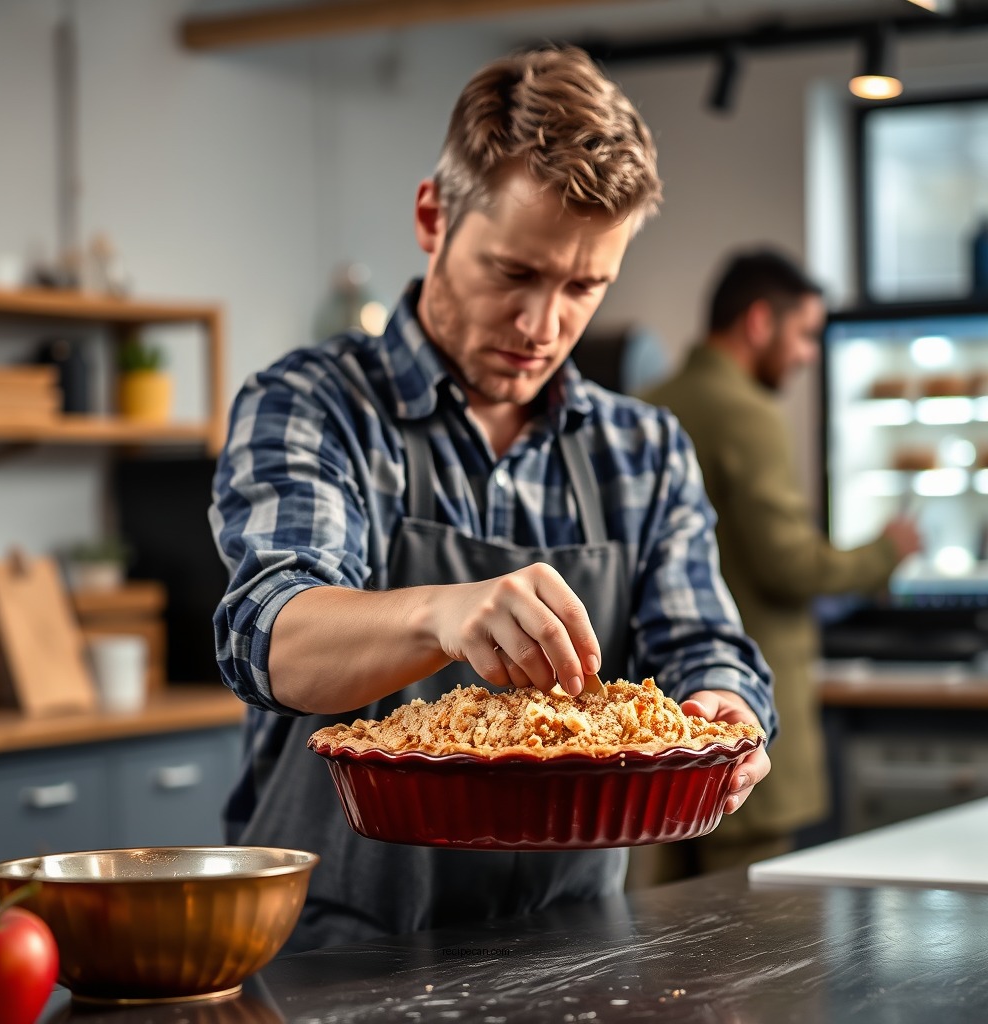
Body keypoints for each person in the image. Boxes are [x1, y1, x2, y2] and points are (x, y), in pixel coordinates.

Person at [209, 46, 777, 953]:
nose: (542, 326)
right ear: (433, 218)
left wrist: (723, 709)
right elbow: (268, 633)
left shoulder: (644, 449)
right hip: (336, 954)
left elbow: (705, 644)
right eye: (514, 272)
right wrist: (440, 613)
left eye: (584, 287)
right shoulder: (311, 405)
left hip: (574, 950)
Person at [641, 248, 922, 881]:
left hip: (664, 730)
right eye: (804, 335)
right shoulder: (746, 412)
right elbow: (789, 564)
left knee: (664, 930)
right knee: (742, 933)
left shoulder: (652, 402)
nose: (808, 355)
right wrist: (888, 552)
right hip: (740, 720)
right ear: (759, 322)